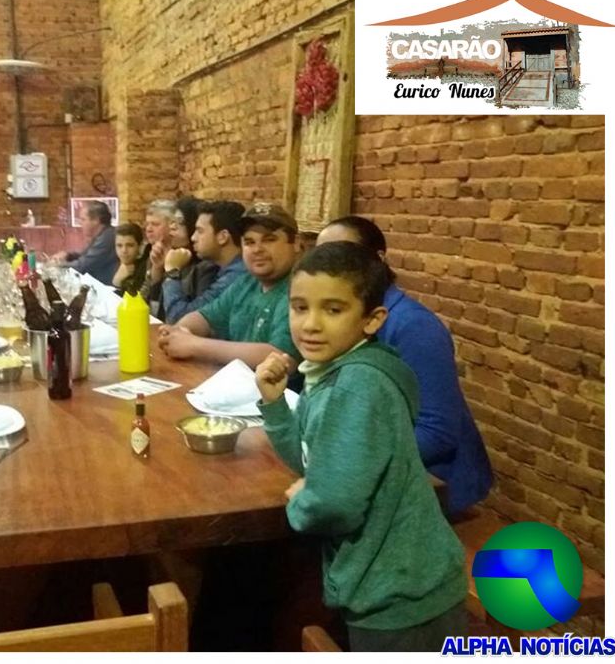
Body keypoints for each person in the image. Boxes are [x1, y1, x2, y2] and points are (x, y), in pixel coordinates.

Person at [254, 241, 467, 651]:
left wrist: (303, 501)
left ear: (372, 319)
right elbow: (310, 458)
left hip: (401, 591)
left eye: (333, 310)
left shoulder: (357, 386)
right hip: (394, 578)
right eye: (300, 307)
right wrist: (275, 405)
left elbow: (336, 505)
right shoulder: (332, 372)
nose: (311, 324)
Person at [316, 215, 492, 516]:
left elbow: (437, 433)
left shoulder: (413, 326)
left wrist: (351, 458)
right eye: (323, 256)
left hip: (431, 487)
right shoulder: (342, 317)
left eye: (345, 255)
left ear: (379, 259)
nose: (331, 266)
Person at [157, 202, 301, 370]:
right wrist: (179, 331)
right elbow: (204, 317)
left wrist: (194, 345)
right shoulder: (246, 282)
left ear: (296, 243)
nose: (257, 249)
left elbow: (280, 357)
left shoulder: (301, 287)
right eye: (249, 242)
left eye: (269, 240)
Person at [162, 200, 248, 324]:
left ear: (223, 237)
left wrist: (172, 272)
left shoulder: (236, 275)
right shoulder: (219, 269)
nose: (193, 238)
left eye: (200, 231)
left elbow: (180, 318)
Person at [54, 200, 118, 284]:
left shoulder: (107, 237)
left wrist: (56, 265)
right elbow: (85, 255)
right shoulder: (103, 234)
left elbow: (82, 266)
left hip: (109, 289)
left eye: (83, 219)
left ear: (96, 220)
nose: (80, 224)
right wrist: (68, 255)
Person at [139, 199, 177, 314]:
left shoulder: (181, 255)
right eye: (147, 224)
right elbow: (144, 296)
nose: (148, 229)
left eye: (155, 224)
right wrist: (156, 269)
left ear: (172, 226)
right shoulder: (152, 250)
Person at [111, 221, 147, 293]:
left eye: (130, 245)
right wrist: (116, 281)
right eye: (119, 245)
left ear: (140, 246)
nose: (124, 250)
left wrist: (117, 284)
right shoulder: (112, 263)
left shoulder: (144, 270)